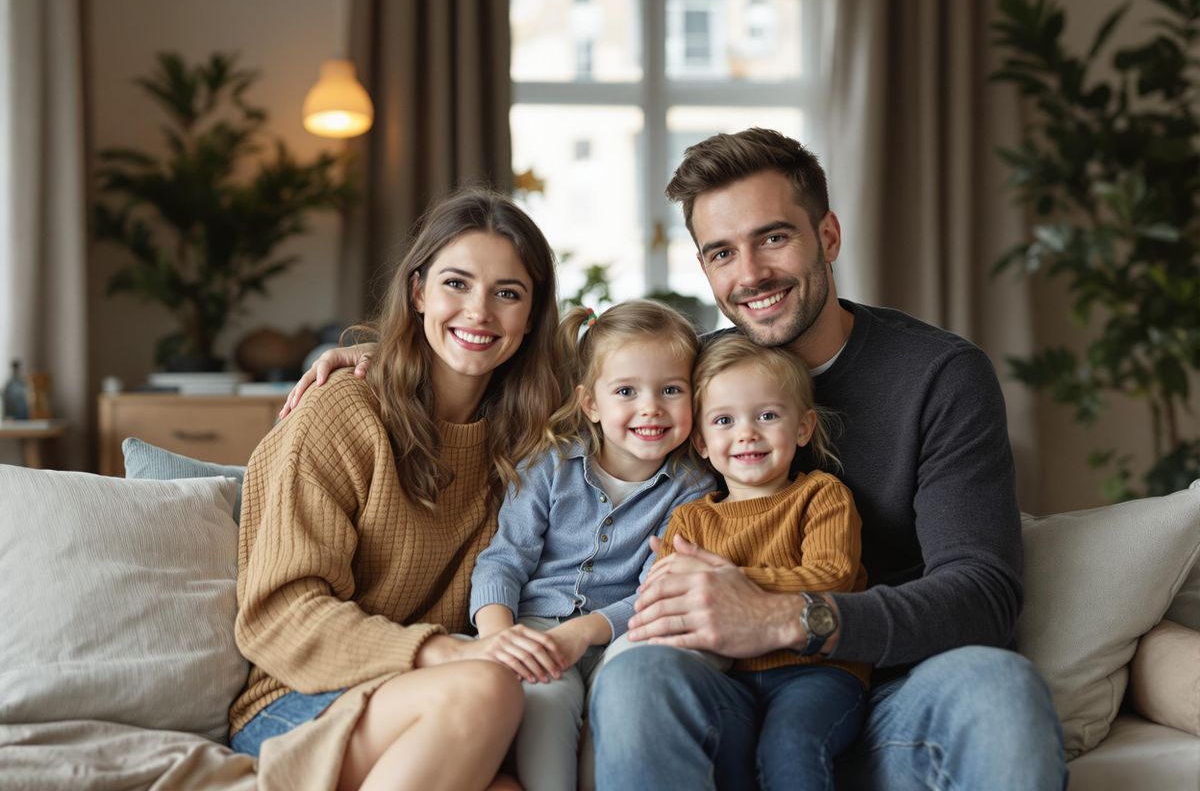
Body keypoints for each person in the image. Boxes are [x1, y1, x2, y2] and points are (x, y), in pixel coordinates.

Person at [286, 128, 1067, 789]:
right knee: (636, 673)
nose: (750, 273)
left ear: (827, 237)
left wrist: (786, 616)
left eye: (774, 238)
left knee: (1000, 687)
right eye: (721, 252)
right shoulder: (697, 374)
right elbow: (560, 374)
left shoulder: (938, 375)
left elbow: (985, 593)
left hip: (885, 690)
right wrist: (361, 355)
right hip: (728, 693)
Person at [229, 187, 566, 791]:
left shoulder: (536, 437)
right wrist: (447, 653)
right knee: (487, 689)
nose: (480, 312)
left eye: (507, 294)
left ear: (533, 315)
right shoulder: (343, 413)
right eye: (455, 284)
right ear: (418, 292)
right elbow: (280, 614)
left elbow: (651, 373)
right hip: (301, 699)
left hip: (440, 698)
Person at [470, 299, 714, 791]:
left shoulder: (694, 486)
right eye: (626, 391)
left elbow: (656, 590)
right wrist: (498, 636)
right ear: (591, 403)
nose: (651, 408)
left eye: (671, 390)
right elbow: (503, 559)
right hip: (537, 624)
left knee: (626, 690)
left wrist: (584, 633)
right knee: (543, 695)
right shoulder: (550, 465)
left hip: (622, 629)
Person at [646, 333, 869, 789]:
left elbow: (833, 576)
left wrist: (729, 581)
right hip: (725, 678)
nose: (746, 433)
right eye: (724, 420)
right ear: (702, 442)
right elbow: (665, 597)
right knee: (720, 757)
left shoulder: (820, 495)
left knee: (789, 746)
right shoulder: (691, 519)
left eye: (767, 415)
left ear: (803, 428)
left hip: (819, 673)